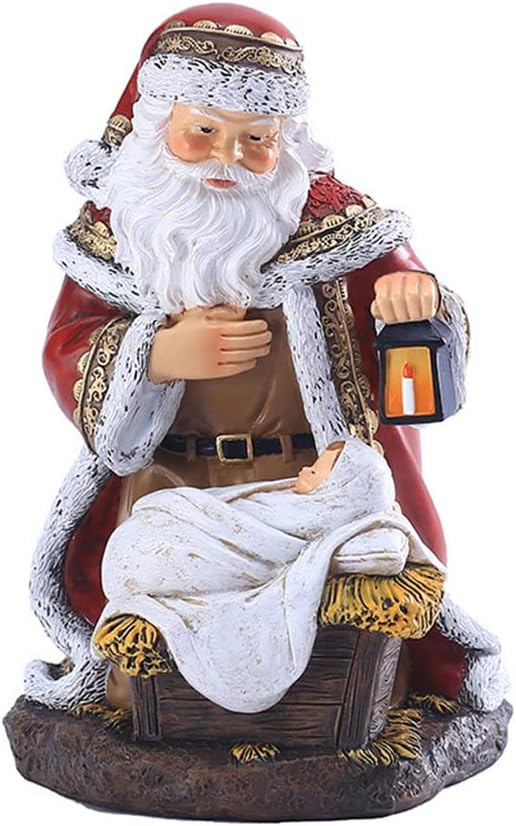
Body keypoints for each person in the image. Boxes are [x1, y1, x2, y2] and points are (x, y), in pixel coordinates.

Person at [26, 3, 505, 719]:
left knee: (341, 638)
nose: (228, 157)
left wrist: (417, 305)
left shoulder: (340, 229)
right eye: (204, 132)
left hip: (312, 488)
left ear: (286, 139)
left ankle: (338, 712)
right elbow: (68, 343)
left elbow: (427, 343)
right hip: (170, 487)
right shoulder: (120, 230)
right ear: (161, 124)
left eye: (256, 139)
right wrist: (154, 356)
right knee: (151, 622)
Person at [91, 436, 446, 713]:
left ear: (339, 492)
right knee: (144, 533)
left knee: (143, 553)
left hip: (184, 551)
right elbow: (237, 508)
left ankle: (147, 553)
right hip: (177, 519)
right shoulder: (288, 496)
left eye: (316, 472)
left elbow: (272, 540)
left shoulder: (322, 517)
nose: (304, 471)